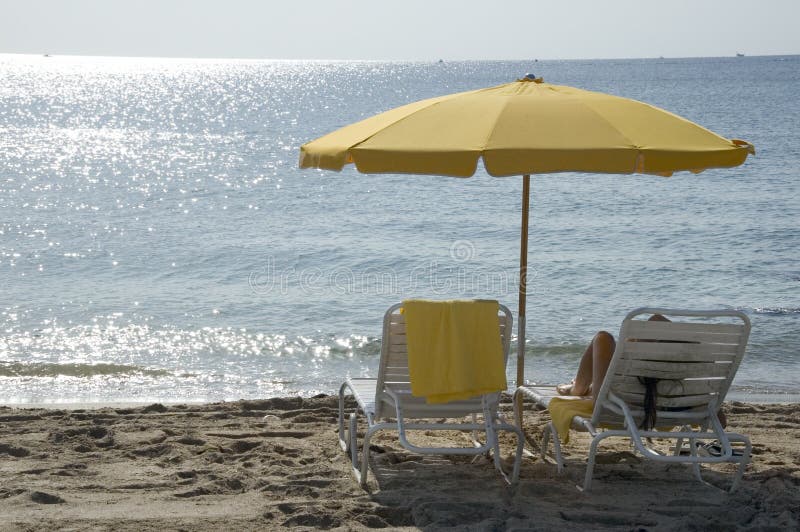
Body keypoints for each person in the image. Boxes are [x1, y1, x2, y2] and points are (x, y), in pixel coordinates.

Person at [556, 313, 727, 428]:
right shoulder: (689, 397)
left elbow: (603, 399)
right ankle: (581, 386)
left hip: (616, 408)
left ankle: (576, 388)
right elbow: (722, 422)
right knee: (657, 320)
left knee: (603, 338)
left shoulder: (618, 395)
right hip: (663, 402)